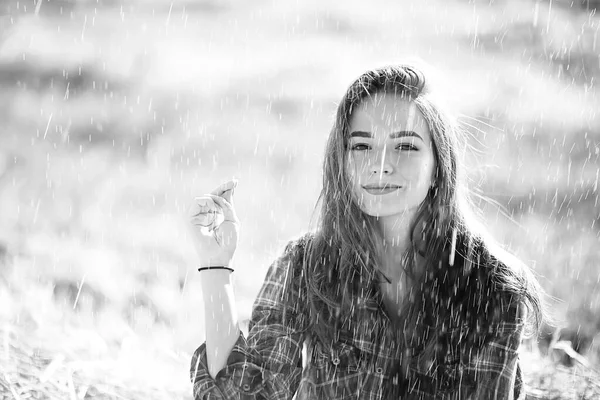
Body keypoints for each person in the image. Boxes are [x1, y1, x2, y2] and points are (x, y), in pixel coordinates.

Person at [187, 64, 545, 399]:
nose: (380, 165)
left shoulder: (492, 284)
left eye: (404, 146)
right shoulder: (306, 265)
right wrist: (215, 266)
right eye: (361, 146)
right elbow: (246, 393)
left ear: (439, 163)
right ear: (340, 160)